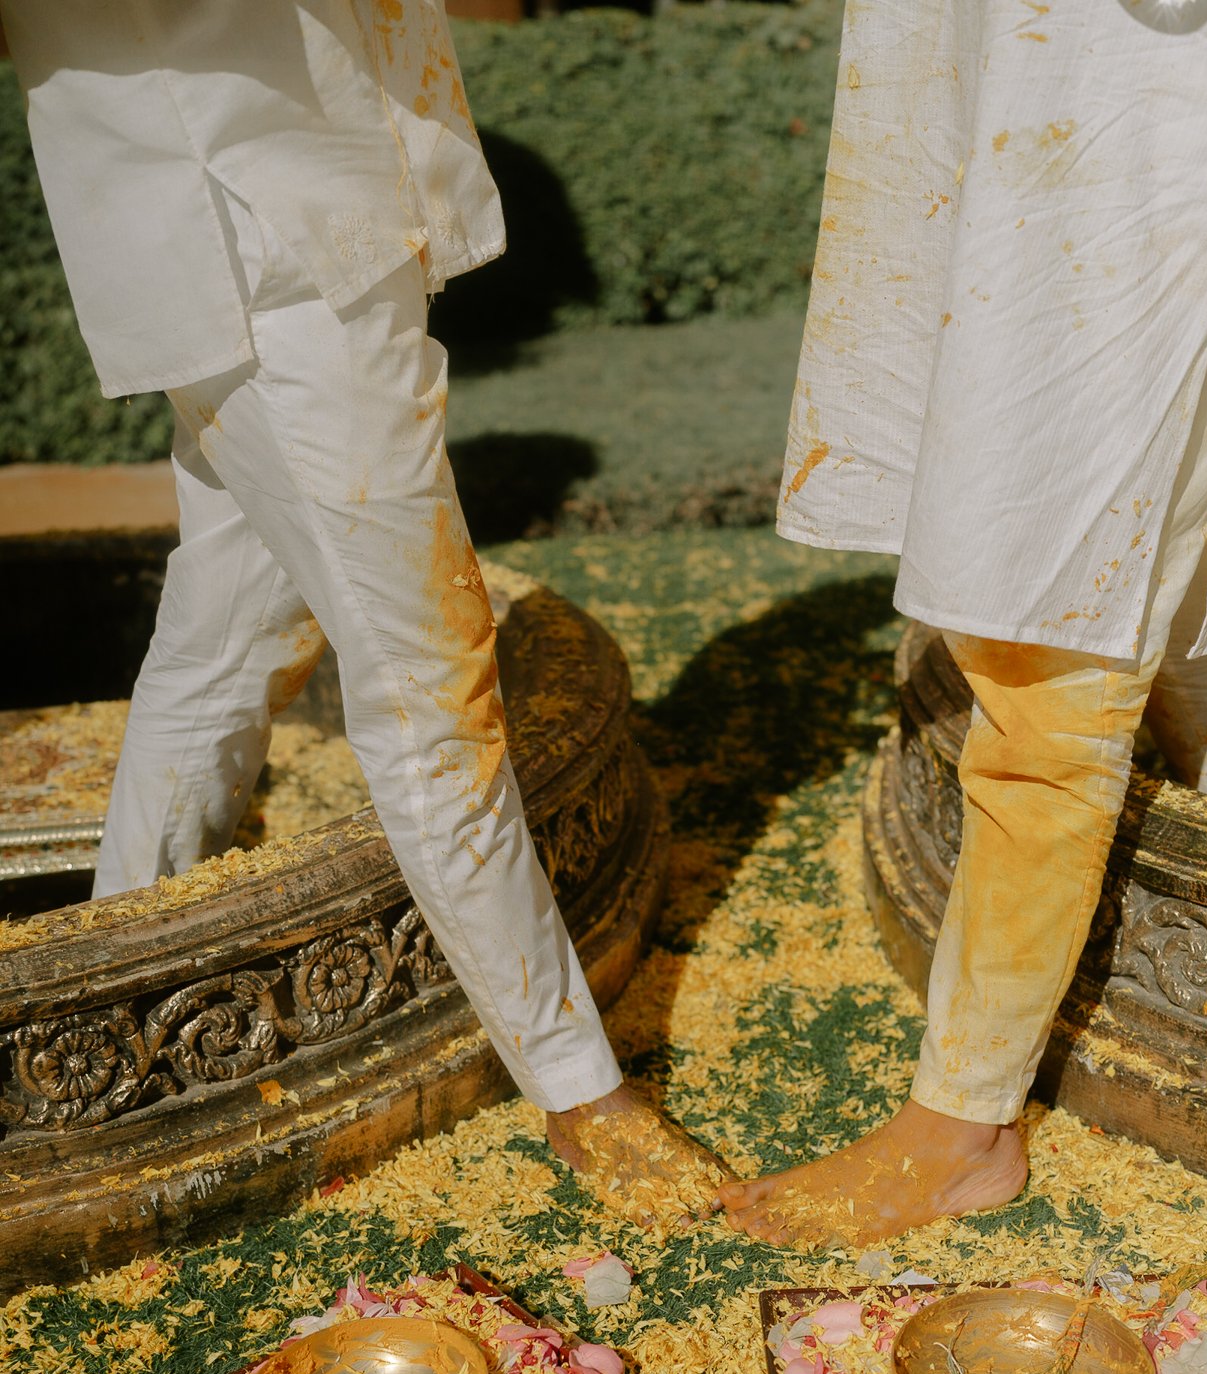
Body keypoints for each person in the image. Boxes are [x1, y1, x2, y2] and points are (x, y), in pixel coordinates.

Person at [1, 0, 727, 1232]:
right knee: (429, 682)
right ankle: (573, 1087)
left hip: (298, 227)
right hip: (257, 245)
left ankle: (96, 1019)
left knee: (226, 636)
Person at [720, 0, 1207, 1248]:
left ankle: (964, 1122)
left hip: (1140, 151)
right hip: (1061, 131)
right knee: (1171, 595)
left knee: (1054, 651)